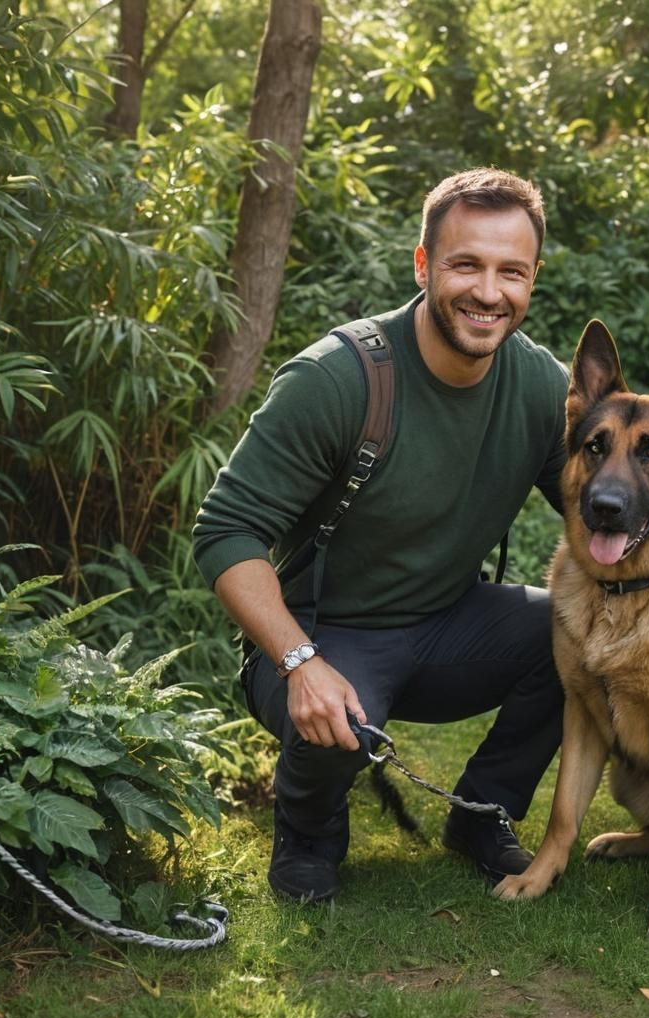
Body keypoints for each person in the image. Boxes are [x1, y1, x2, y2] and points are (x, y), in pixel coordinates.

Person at [193, 167, 568, 902]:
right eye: (466, 264)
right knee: (343, 722)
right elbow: (226, 532)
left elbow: (608, 511)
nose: (488, 292)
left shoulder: (542, 388)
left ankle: (482, 813)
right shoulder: (337, 379)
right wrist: (299, 660)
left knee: (577, 630)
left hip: (450, 626)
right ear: (424, 264)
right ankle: (308, 833)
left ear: (532, 280)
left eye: (510, 272)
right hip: (325, 637)